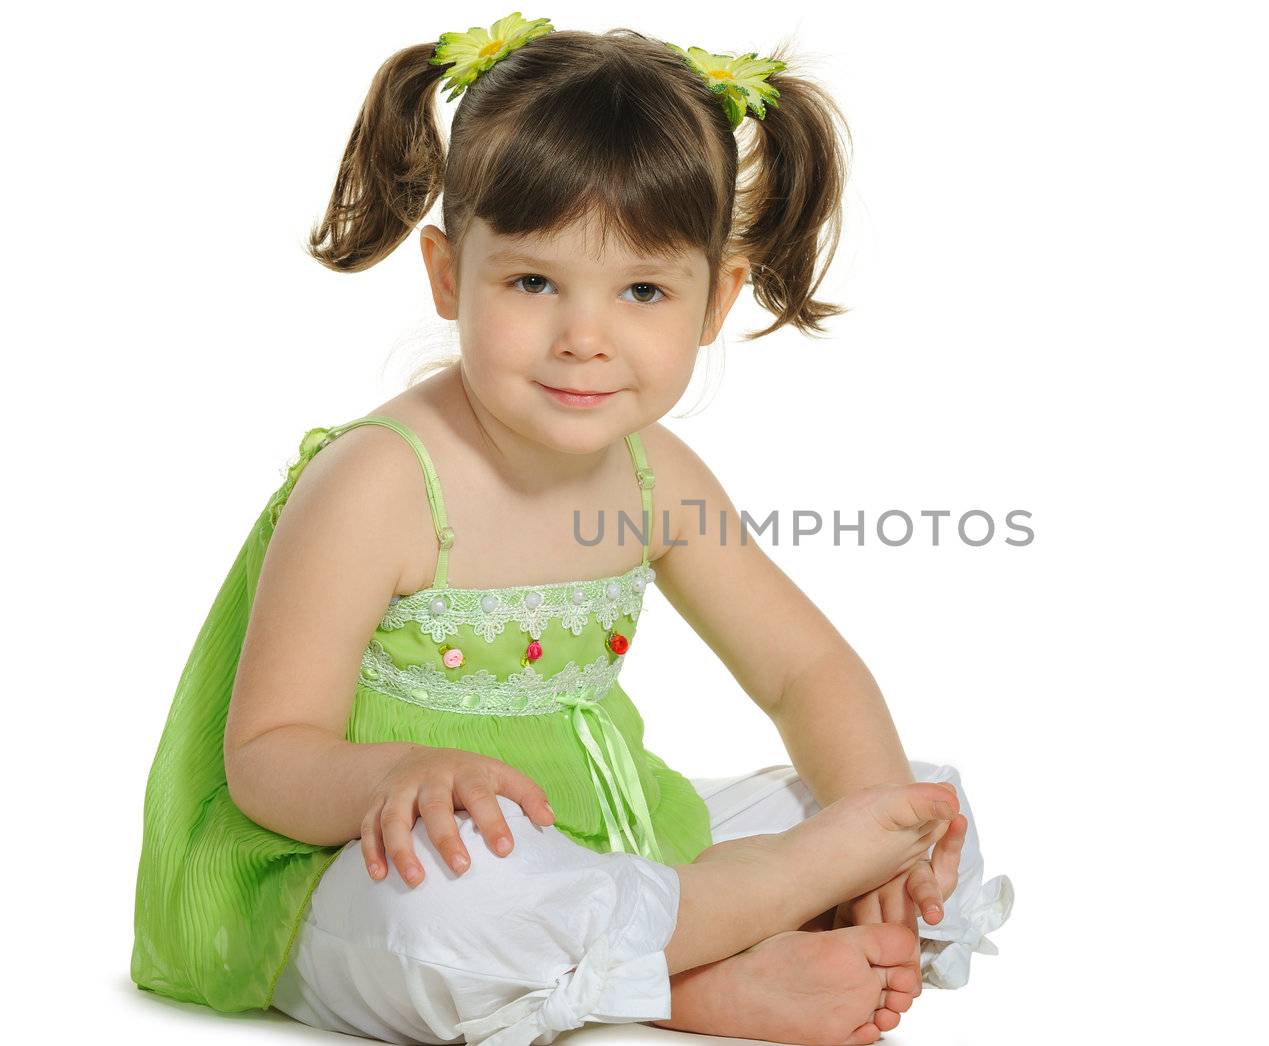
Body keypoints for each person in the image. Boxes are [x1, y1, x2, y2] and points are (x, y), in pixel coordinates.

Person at [130, 13, 1014, 1046]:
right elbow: (269, 757)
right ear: (449, 275)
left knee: (919, 788)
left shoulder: (656, 478)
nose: (584, 338)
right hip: (356, 864)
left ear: (713, 299)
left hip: (595, 833)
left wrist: (876, 824)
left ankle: (698, 927)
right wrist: (395, 777)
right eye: (534, 281)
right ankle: (705, 969)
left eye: (642, 289)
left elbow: (802, 671)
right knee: (451, 922)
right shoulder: (378, 484)